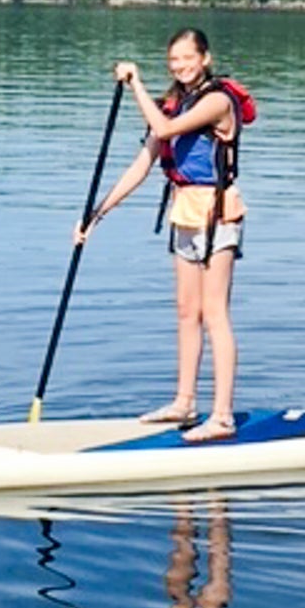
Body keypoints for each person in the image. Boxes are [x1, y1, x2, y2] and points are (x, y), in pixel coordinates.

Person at [74, 27, 248, 442]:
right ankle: (184, 402)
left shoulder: (217, 100)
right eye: (173, 60)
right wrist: (96, 215)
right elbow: (142, 164)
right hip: (184, 214)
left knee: (214, 314)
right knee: (187, 312)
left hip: (218, 214)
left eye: (188, 58)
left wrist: (136, 84)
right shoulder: (173, 104)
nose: (181, 66)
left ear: (204, 58)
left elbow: (166, 132)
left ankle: (222, 416)